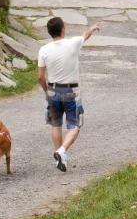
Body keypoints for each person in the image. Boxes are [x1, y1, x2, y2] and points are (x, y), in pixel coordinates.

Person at [37, 17, 100, 172]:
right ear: (63, 29)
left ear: (49, 32)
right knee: (74, 126)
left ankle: (61, 158)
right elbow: (85, 34)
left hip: (52, 91)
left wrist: (47, 91)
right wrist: (92, 28)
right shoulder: (73, 43)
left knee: (56, 125)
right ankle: (62, 151)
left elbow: (40, 77)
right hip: (71, 91)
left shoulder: (43, 50)